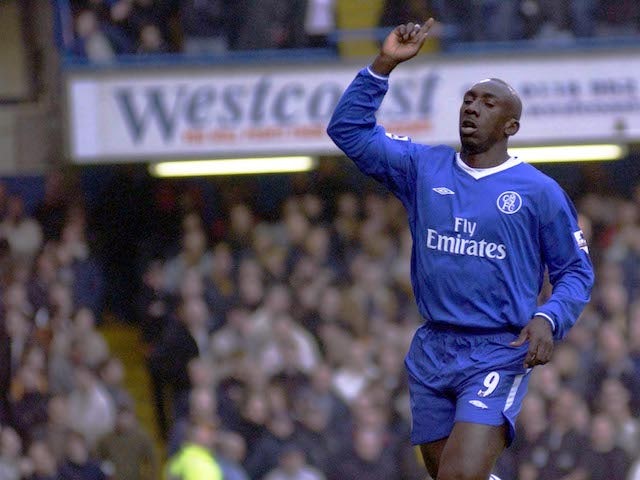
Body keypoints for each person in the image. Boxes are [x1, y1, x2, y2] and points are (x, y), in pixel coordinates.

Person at [326, 17, 594, 480]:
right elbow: (348, 130)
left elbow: (576, 271)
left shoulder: (538, 192)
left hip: (496, 348)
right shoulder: (423, 167)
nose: (472, 107)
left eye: (488, 103)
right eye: (469, 99)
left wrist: (550, 317)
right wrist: (384, 63)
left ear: (510, 124)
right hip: (432, 348)